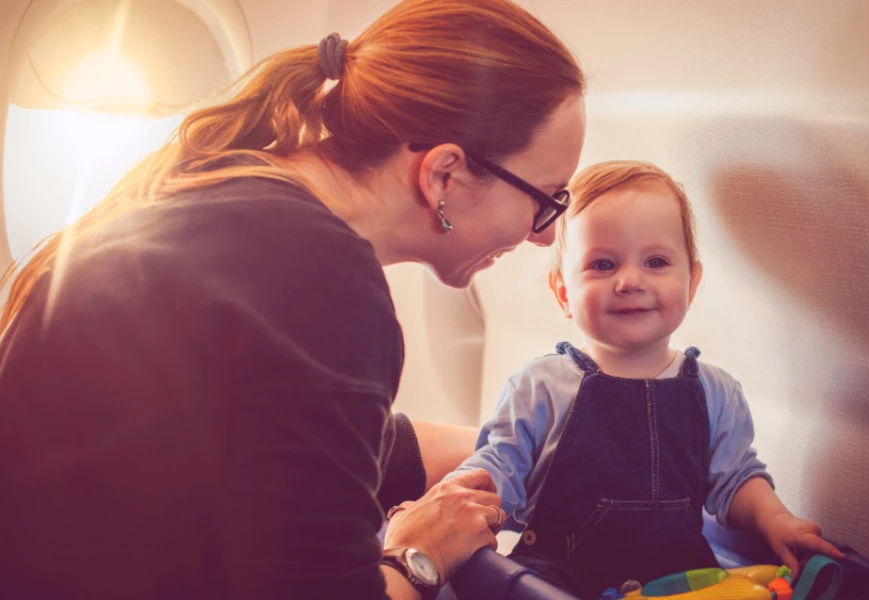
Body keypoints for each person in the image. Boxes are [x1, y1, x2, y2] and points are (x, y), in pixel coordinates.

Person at [0, 0, 587, 597]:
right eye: (545, 198)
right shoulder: (321, 276)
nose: (543, 234)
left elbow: (277, 436)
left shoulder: (235, 199)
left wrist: (520, 439)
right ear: (444, 174)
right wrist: (418, 550)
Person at [443, 161, 845, 599]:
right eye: (602, 264)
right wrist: (456, 496)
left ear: (691, 282)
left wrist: (777, 520)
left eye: (655, 262)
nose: (630, 281)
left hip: (678, 580)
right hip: (559, 579)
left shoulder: (716, 391)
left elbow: (736, 478)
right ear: (563, 293)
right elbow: (500, 464)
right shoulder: (539, 386)